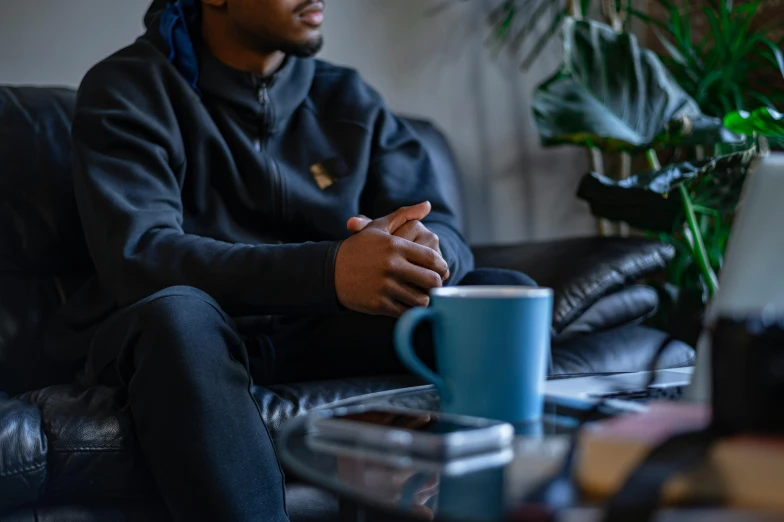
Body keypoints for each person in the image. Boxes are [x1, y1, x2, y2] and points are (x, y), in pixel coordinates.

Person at [63, 0, 534, 520]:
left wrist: (425, 252)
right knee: (177, 317)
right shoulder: (129, 88)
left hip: (316, 331)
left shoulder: (347, 97)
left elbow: (441, 223)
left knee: (499, 292)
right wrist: (330, 271)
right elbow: (141, 254)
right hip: (191, 341)